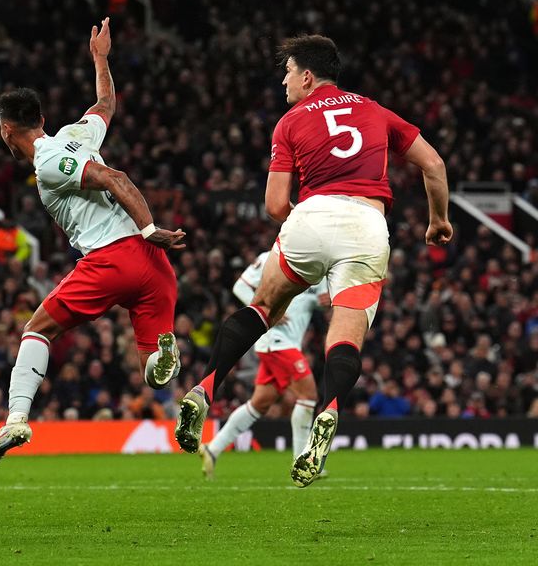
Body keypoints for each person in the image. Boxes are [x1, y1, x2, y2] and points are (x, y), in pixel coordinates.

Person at [173, 35, 452, 488]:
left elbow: (274, 203)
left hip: (312, 217)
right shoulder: (376, 111)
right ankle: (329, 410)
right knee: (346, 337)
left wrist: (303, 229)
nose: (283, 81)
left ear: (307, 76)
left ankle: (205, 388)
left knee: (262, 307)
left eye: (287, 73)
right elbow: (434, 165)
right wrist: (438, 220)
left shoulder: (289, 122)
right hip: (366, 225)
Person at [0, 18, 187, 466]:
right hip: (154, 268)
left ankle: (16, 419)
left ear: (6, 131)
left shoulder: (49, 161)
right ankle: (166, 353)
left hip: (115, 257)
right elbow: (105, 103)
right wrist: (100, 58)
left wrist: (150, 228)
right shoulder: (76, 134)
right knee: (153, 374)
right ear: (44, 120)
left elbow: (113, 177)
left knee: (37, 329)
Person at [199, 251, 328, 480]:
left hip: (284, 343)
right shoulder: (272, 257)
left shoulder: (318, 263)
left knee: (259, 404)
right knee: (308, 395)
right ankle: (302, 460)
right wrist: (269, 312)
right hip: (276, 340)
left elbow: (319, 301)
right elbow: (240, 287)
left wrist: (327, 302)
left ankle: (213, 449)